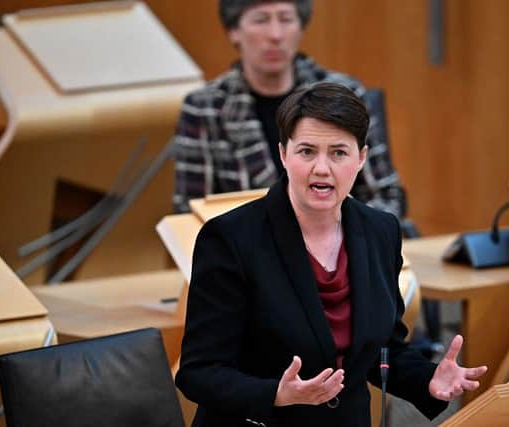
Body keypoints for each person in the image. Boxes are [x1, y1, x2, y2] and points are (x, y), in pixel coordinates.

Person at [176, 82, 487, 427]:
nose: (321, 168)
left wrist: (428, 379)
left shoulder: (379, 231)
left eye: (338, 153)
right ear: (283, 154)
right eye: (307, 151)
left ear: (361, 159)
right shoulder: (230, 239)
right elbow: (198, 373)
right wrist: (274, 395)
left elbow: (383, 350)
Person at [172, 0, 406, 221]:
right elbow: (190, 214)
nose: (275, 35)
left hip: (344, 249)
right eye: (261, 20)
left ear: (301, 26)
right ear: (234, 31)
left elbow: (386, 197)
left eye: (286, 19)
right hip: (248, 256)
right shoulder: (205, 108)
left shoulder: (345, 93)